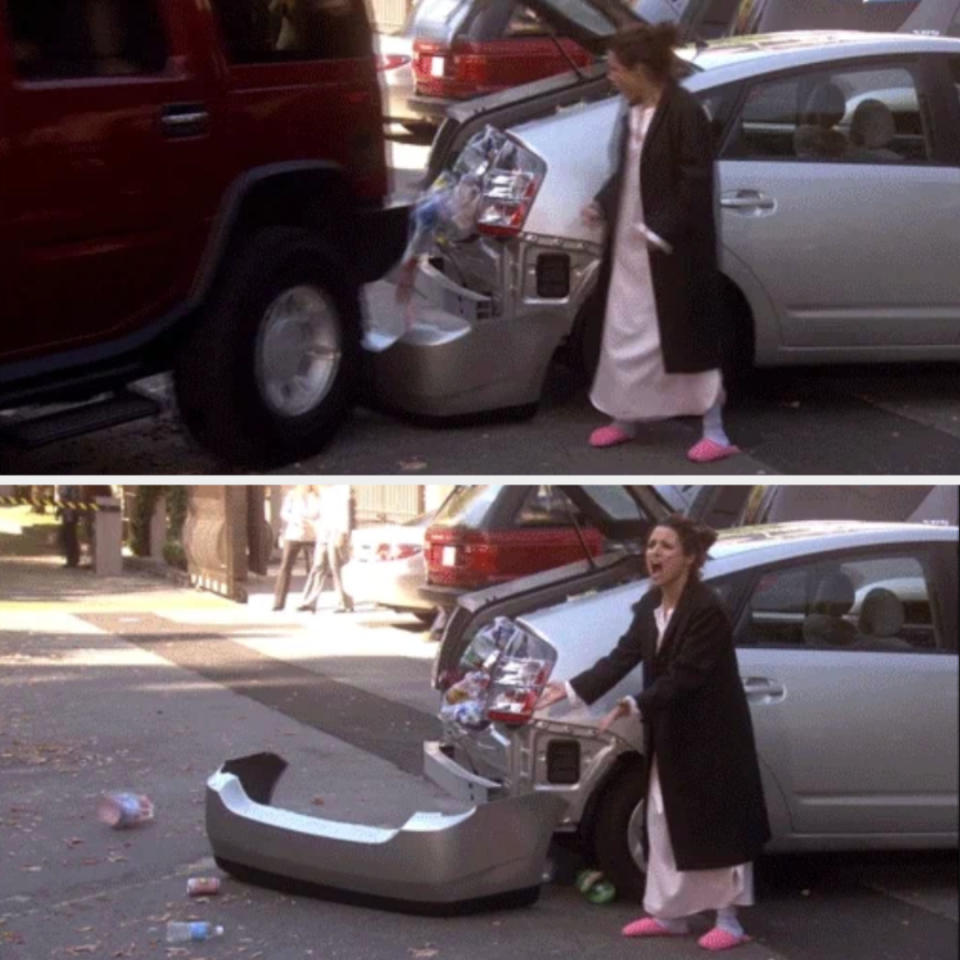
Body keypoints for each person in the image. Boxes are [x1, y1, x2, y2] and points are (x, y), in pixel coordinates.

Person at [537, 515, 770, 951]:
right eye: (651, 545)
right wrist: (571, 688)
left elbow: (687, 675)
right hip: (671, 733)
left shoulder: (707, 611)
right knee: (662, 820)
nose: (654, 554)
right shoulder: (650, 607)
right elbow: (622, 656)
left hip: (713, 738)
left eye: (665, 546)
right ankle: (670, 915)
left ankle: (729, 920)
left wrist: (634, 703)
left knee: (716, 825)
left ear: (690, 558)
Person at [585, 25, 739, 463]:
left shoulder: (685, 113)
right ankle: (624, 417)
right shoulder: (632, 110)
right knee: (625, 332)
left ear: (641, 69)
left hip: (672, 250)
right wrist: (601, 203)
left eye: (615, 69)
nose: (609, 76)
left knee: (684, 336)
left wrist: (661, 230)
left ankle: (715, 430)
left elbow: (695, 181)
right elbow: (629, 170)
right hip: (631, 246)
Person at [298, 485, 354, 613]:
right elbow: (316, 513)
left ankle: (345, 603)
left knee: (337, 566)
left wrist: (343, 532)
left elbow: (345, 512)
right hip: (324, 530)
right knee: (318, 565)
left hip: (336, 531)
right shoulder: (322, 492)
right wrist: (304, 500)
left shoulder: (341, 488)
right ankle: (309, 601)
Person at [272, 485, 320, 611]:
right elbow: (284, 513)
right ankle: (278, 602)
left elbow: (321, 514)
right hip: (294, 534)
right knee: (285, 566)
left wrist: (312, 523)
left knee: (315, 568)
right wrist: (295, 520)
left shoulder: (318, 495)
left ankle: (309, 602)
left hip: (312, 535)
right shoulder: (292, 495)